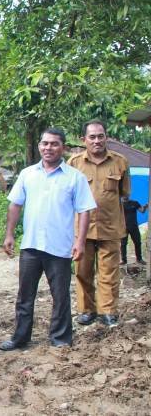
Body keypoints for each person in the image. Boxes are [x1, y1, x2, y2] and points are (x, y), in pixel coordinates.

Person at [0, 128, 96, 351]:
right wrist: (9, 234)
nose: (48, 148)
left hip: (59, 247)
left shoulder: (75, 177)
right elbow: (15, 205)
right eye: (45, 143)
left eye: (54, 144)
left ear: (63, 147)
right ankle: (20, 338)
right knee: (25, 295)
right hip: (31, 245)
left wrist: (80, 242)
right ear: (39, 146)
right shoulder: (27, 174)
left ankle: (60, 338)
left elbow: (85, 211)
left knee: (60, 296)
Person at [67, 120, 130, 327]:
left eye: (100, 136)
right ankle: (87, 310)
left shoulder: (120, 162)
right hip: (82, 230)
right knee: (83, 272)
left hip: (110, 227)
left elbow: (124, 193)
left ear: (106, 137)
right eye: (92, 137)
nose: (97, 141)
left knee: (109, 272)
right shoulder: (74, 164)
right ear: (83, 139)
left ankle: (108, 311)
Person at [121, 196, 148, 265]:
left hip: (134, 226)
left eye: (127, 194)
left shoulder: (134, 203)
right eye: (124, 194)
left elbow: (142, 211)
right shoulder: (119, 204)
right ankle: (124, 260)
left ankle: (139, 259)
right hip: (123, 227)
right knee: (123, 244)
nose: (125, 195)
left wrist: (145, 207)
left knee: (138, 242)